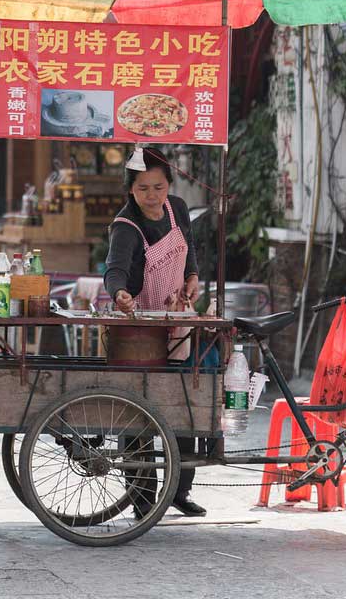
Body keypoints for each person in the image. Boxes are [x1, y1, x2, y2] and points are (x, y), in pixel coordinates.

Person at [104, 146, 205, 518]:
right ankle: (142, 496)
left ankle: (180, 490)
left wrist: (192, 276)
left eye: (158, 187)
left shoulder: (178, 209)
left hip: (177, 321)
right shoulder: (125, 225)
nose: (152, 196)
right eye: (143, 188)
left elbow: (189, 249)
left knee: (185, 404)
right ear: (130, 189)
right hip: (139, 331)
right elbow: (114, 269)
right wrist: (119, 293)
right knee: (138, 413)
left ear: (169, 185)